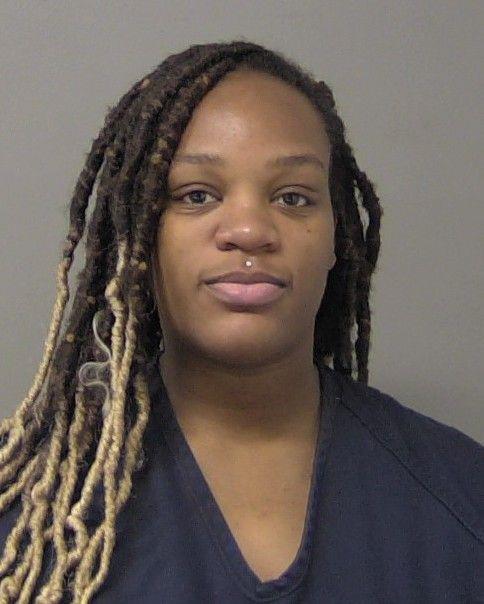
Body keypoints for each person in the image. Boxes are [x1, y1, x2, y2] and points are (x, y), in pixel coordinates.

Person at [0, 39, 482, 603]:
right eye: (197, 195)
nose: (249, 230)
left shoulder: (462, 496)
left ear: (337, 236)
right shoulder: (28, 513)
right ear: (139, 235)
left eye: (293, 198)